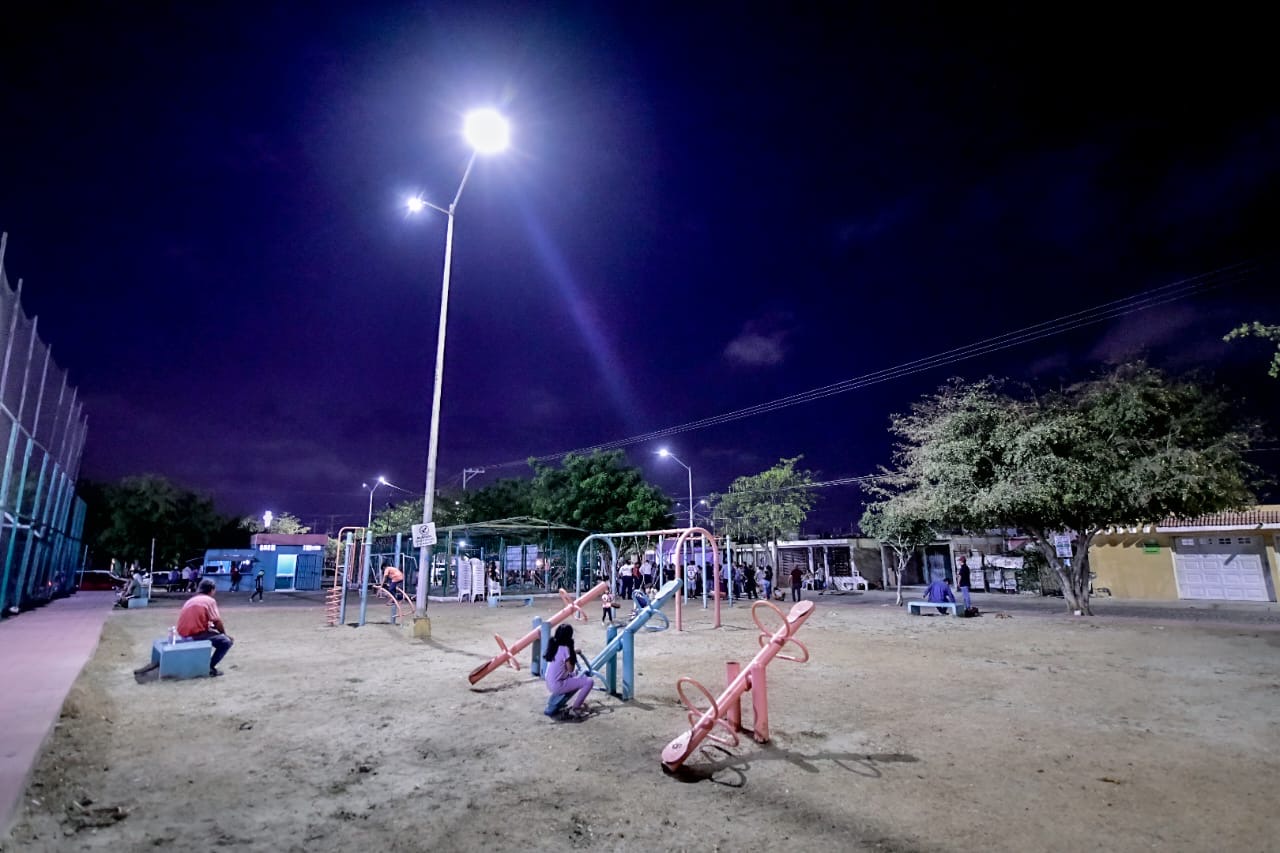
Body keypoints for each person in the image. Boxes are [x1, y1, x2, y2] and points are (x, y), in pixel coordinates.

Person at [177, 578, 234, 677]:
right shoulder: (209, 600)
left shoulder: (191, 600)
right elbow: (217, 621)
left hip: (183, 634)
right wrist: (224, 634)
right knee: (226, 642)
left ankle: (204, 664)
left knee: (212, 635)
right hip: (195, 634)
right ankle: (209, 667)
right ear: (212, 590)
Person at [543, 624, 593, 720]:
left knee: (575, 675)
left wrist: (572, 651)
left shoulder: (554, 646)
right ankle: (576, 708)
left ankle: (574, 705)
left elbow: (562, 659)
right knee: (589, 681)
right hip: (558, 685)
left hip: (550, 682)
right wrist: (572, 652)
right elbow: (570, 669)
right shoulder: (566, 649)